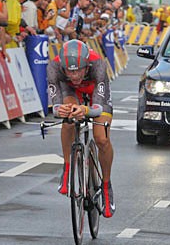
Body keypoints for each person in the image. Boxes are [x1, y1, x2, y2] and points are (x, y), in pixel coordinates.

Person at [47, 40, 115, 218]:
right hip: (69, 91)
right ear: (63, 67)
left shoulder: (98, 64)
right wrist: (58, 109)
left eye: (78, 70)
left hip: (96, 94)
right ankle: (67, 167)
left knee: (101, 138)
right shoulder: (54, 67)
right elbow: (55, 101)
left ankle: (106, 186)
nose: (75, 75)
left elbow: (98, 107)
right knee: (68, 115)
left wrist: (86, 110)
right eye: (69, 70)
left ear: (87, 66)